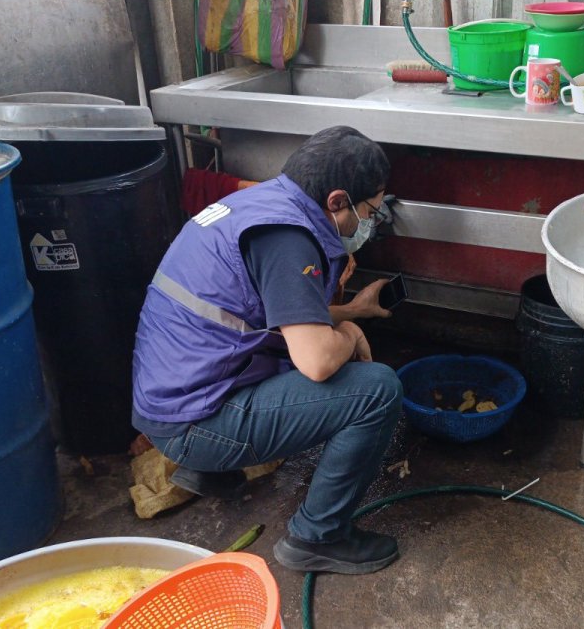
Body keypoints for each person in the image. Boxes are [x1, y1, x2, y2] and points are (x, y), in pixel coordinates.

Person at [132, 126, 403, 575]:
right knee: (376, 391)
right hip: (191, 421)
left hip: (172, 394)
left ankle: (209, 471)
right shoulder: (288, 238)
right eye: (370, 210)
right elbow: (315, 361)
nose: (370, 222)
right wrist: (351, 333)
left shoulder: (262, 204)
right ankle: (318, 537)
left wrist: (352, 310)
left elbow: (264, 317)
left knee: (295, 350)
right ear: (337, 201)